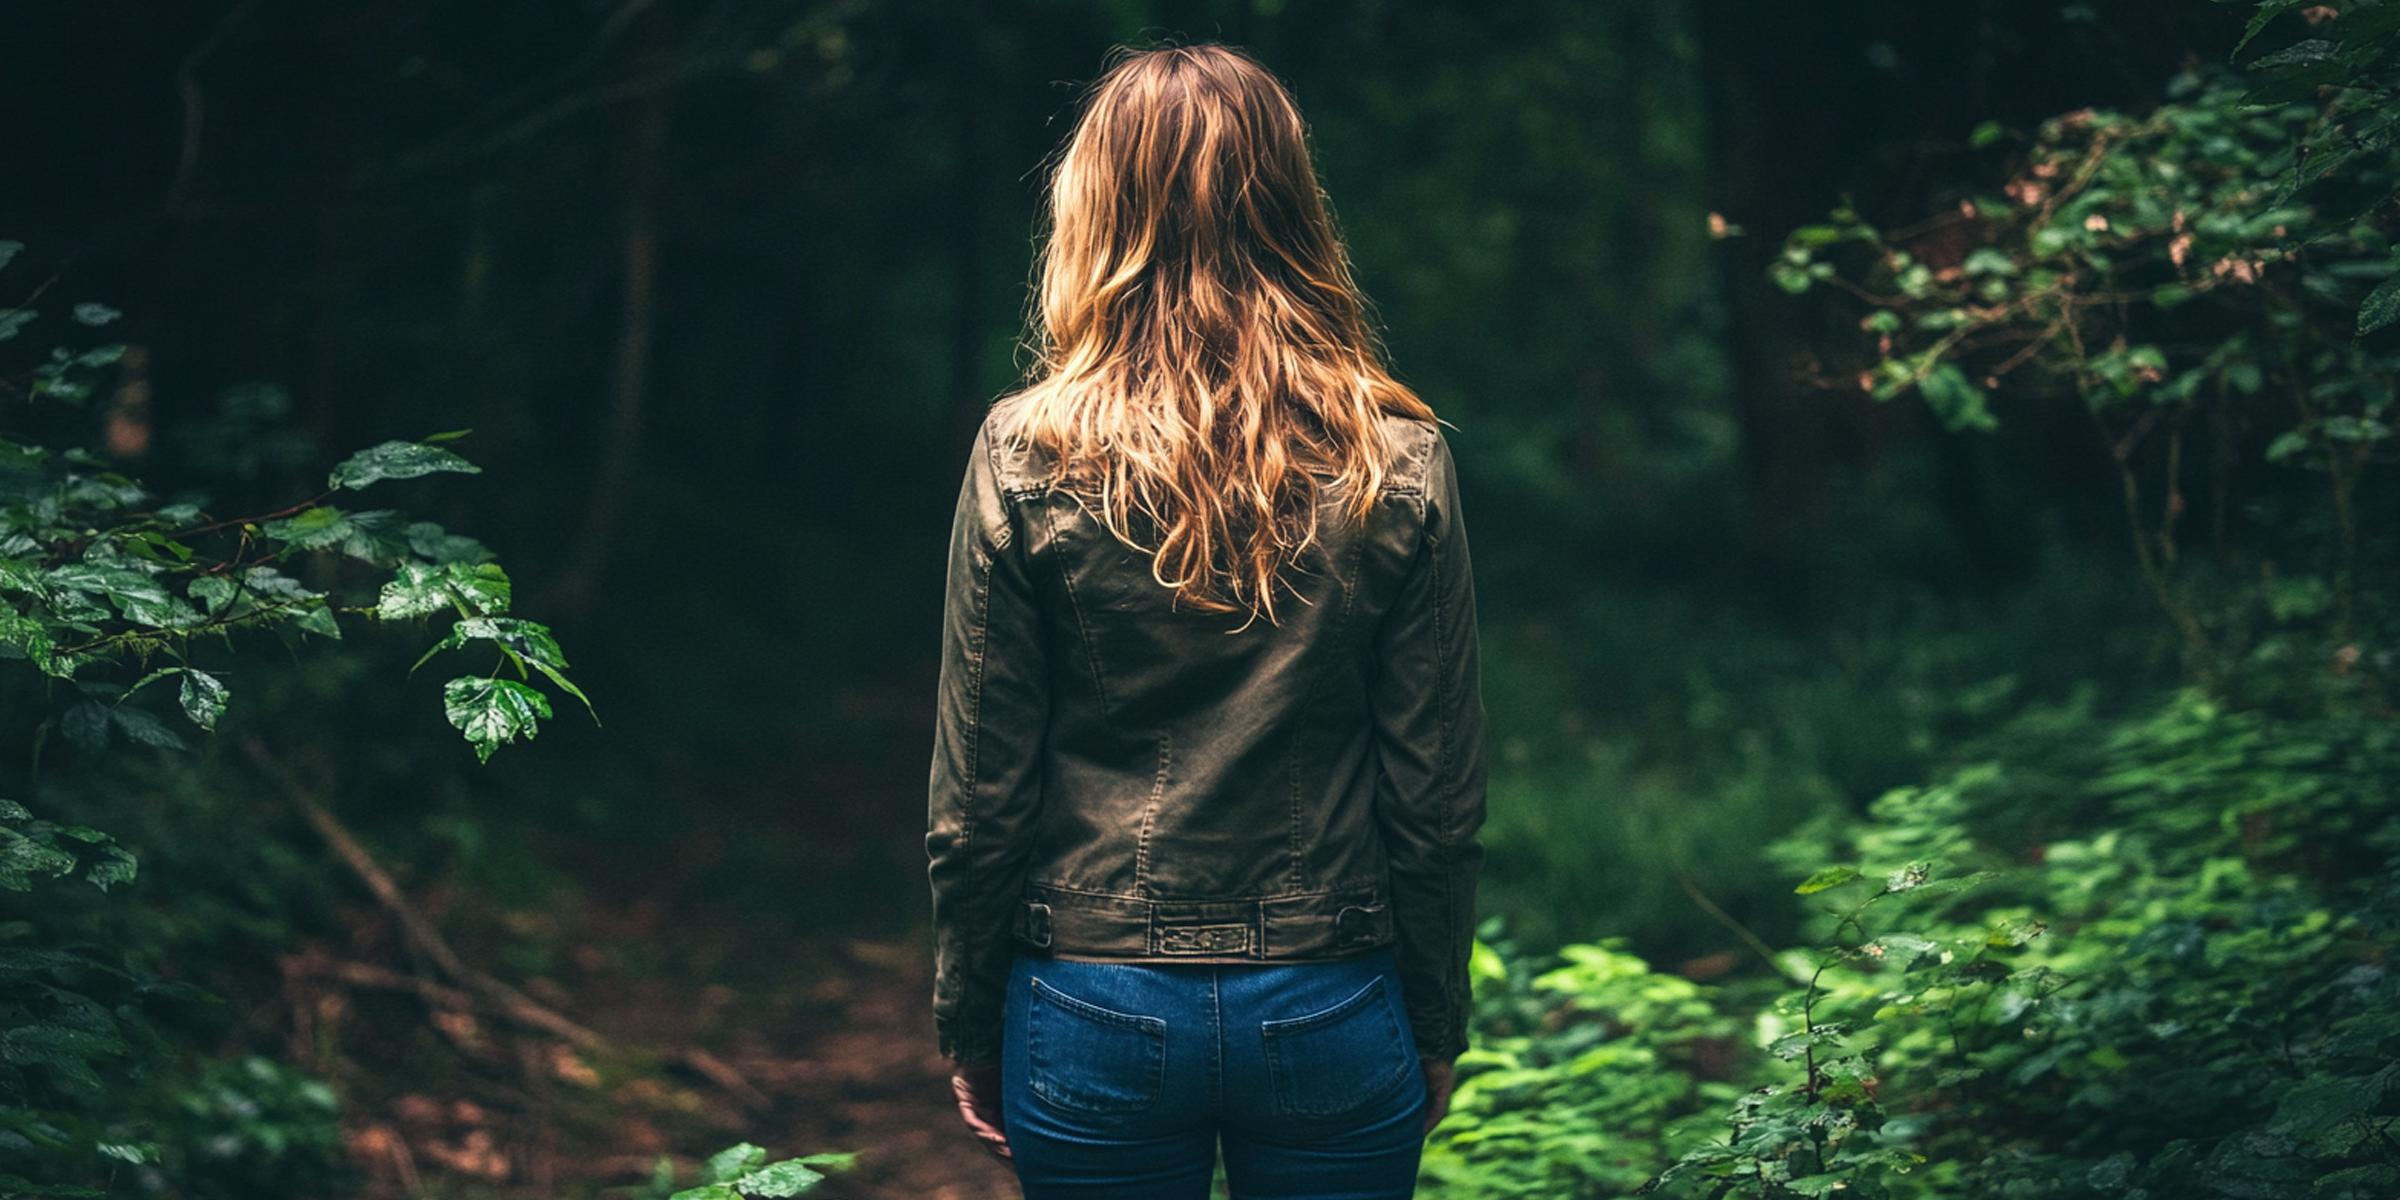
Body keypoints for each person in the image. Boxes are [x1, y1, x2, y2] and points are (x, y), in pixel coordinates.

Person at [926, 43, 1486, 1200]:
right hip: (1333, 1000)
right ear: (1291, 208)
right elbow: (1433, 798)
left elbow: (978, 799)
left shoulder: (1024, 450)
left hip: (1086, 1001)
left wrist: (973, 1017)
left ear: (1095, 214)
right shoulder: (1399, 458)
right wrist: (1431, 1016)